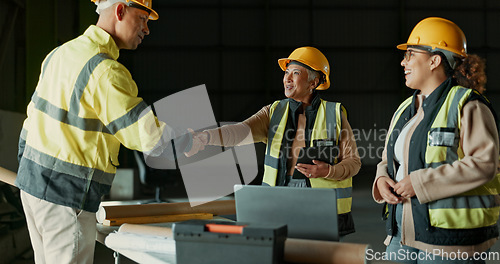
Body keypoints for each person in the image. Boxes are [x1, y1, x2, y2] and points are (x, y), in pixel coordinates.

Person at [15, 1, 170, 263]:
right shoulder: (105, 71)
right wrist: (192, 139)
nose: (146, 29)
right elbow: (147, 136)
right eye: (142, 18)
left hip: (32, 188)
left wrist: (27, 174)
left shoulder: (60, 53)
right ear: (120, 11)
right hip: (65, 198)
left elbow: (31, 120)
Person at [187, 46, 362, 237]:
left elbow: (353, 162)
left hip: (320, 202)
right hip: (279, 194)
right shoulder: (273, 112)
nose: (287, 78)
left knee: (317, 254)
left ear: (315, 81)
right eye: (286, 72)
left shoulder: (334, 114)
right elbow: (239, 131)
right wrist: (206, 137)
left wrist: (329, 171)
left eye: (295, 73)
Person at [372, 17, 500, 263]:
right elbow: (388, 161)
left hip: (450, 242)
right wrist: (381, 179)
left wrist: (419, 183)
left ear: (434, 60)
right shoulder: (404, 110)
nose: (403, 62)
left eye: (410, 54)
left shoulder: (467, 105)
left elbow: (484, 164)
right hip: (402, 233)